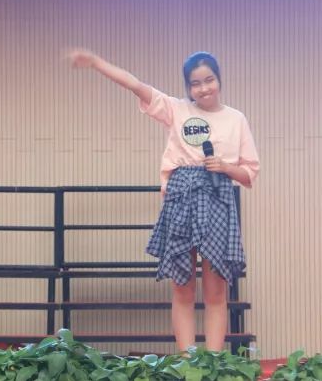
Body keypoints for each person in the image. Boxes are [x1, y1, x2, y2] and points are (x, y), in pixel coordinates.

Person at [69, 49, 259, 352]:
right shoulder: (176, 109)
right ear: (188, 87)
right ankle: (187, 362)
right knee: (182, 288)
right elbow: (135, 85)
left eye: (209, 80)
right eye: (196, 83)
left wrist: (225, 167)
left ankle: (212, 362)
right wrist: (96, 63)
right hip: (181, 198)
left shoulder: (236, 119)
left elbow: (249, 172)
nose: (204, 88)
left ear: (219, 80)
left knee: (216, 291)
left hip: (218, 198)